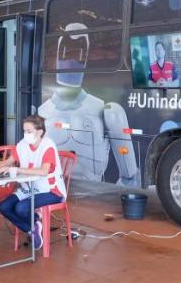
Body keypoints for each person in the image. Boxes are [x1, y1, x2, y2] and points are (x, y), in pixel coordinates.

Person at [38, 22, 140, 187]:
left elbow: (129, 176)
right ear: (57, 55)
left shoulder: (101, 109)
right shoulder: (42, 111)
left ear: (86, 57)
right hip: (53, 186)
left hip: (92, 191)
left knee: (114, 113)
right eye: (65, 52)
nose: (71, 60)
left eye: (79, 53)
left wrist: (128, 184)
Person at [0, 115, 67, 250]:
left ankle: (33, 220)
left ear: (39, 132)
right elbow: (7, 162)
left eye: (29, 131)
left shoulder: (48, 146)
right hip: (30, 188)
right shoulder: (22, 145)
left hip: (51, 191)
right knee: (3, 206)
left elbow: (44, 171)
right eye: (24, 131)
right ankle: (32, 227)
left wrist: (17, 169)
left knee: (20, 208)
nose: (25, 134)